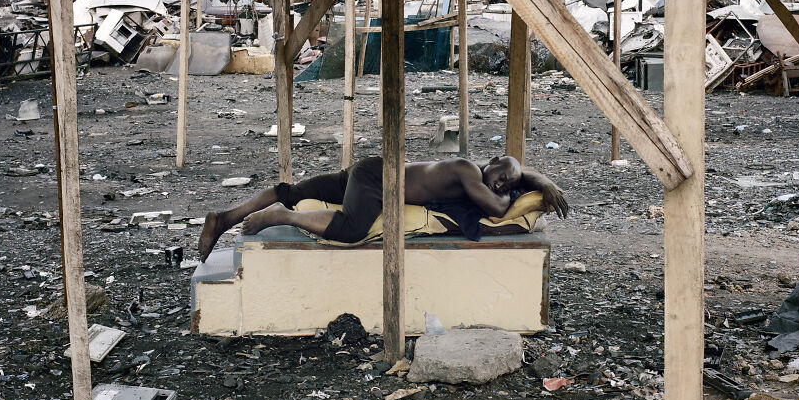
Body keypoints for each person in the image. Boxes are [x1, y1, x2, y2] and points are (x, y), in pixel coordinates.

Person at [198, 155, 568, 262]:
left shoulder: (474, 173)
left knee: (290, 189)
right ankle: (281, 216)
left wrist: (534, 179)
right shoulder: (468, 170)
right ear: (488, 164)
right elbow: (500, 209)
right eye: (499, 176)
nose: (499, 186)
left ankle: (223, 218)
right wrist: (538, 182)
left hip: (369, 169)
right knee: (353, 228)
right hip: (376, 181)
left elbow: (505, 187)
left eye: (506, 184)